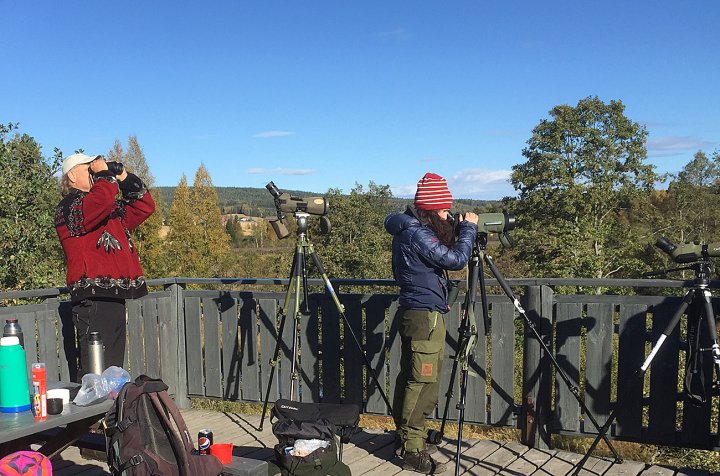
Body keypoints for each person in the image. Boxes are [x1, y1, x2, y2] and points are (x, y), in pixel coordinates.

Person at [384, 172, 478, 474]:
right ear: (427, 208)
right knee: (422, 382)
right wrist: (469, 230)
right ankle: (412, 448)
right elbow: (455, 260)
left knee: (411, 377)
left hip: (419, 313)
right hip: (425, 316)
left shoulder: (409, 229)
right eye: (441, 210)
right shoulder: (417, 233)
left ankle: (408, 433)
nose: (446, 215)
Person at [55, 153, 155, 382]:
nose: (93, 173)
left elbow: (144, 206)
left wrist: (122, 175)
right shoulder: (69, 208)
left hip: (114, 297)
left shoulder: (105, 209)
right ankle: (88, 419)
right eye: (87, 169)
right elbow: (100, 201)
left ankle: (109, 418)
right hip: (93, 299)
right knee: (95, 373)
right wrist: (103, 174)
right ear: (71, 175)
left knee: (112, 374)